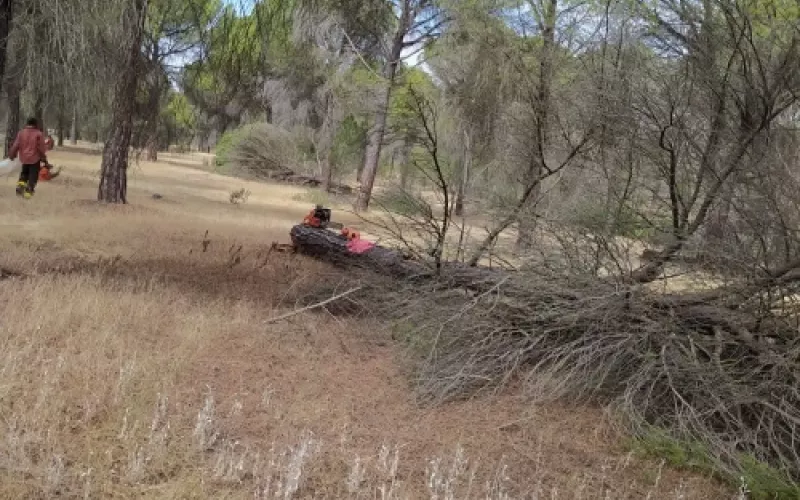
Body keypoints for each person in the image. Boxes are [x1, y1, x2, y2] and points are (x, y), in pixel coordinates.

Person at [9, 117, 48, 199]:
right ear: (36, 124)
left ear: (27, 124)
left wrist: (12, 154)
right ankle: (28, 193)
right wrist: (43, 157)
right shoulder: (38, 134)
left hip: (24, 158)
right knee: (33, 176)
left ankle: (20, 186)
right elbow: (41, 147)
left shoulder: (21, 133)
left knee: (24, 173)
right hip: (34, 159)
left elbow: (16, 145)